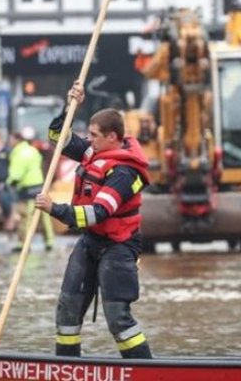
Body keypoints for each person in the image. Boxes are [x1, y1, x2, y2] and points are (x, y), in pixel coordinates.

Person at [35, 81, 153, 359]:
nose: (87, 140)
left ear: (112, 137)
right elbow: (57, 137)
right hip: (91, 242)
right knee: (67, 308)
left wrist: (55, 209)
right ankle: (67, 366)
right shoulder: (94, 152)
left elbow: (97, 213)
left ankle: (144, 370)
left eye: (94, 135)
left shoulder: (125, 173)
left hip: (119, 246)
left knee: (118, 317)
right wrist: (70, 106)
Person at [8, 126, 54, 251]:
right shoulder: (33, 150)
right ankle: (49, 241)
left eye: (11, 140)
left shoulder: (19, 153)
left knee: (25, 217)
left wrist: (10, 182)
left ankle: (24, 243)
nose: (10, 142)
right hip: (38, 185)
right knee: (42, 215)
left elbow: (17, 172)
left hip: (26, 188)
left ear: (17, 140)